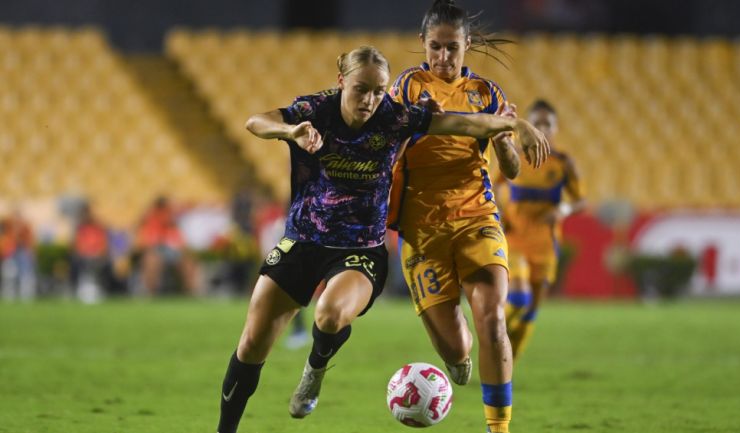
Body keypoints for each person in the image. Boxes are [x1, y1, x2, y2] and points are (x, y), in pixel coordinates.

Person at [215, 45, 548, 433]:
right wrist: (291, 131)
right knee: (251, 345)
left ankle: (315, 370)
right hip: (302, 241)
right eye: (361, 89)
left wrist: (514, 125)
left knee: (330, 311)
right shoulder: (314, 111)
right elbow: (255, 121)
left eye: (379, 90)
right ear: (341, 81)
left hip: (361, 251)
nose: (370, 100)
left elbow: (467, 124)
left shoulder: (395, 118)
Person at [387, 2, 550, 432]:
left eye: (452, 48)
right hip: (422, 231)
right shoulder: (406, 87)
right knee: (457, 349)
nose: (443, 58)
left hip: (476, 214)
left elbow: (512, 171)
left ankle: (499, 427)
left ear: (467, 45)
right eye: (436, 47)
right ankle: (456, 359)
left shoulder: (486, 93)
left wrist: (503, 140)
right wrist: (496, 124)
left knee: (493, 318)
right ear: (423, 44)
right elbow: (399, 138)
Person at [495, 99, 586, 359]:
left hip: (545, 245)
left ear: (555, 128)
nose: (543, 128)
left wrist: (563, 210)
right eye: (537, 123)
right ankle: (492, 333)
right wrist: (500, 212)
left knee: (530, 312)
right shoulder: (513, 157)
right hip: (513, 241)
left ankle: (506, 362)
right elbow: (493, 185)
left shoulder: (563, 163)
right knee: (519, 299)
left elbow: (581, 200)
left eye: (548, 123)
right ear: (529, 126)